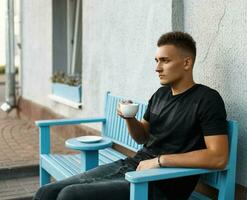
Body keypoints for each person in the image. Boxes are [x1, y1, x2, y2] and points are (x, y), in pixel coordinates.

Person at [33, 31, 228, 200]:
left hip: (162, 184)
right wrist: (129, 119)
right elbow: (142, 136)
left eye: (165, 60)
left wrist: (160, 161)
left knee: (71, 196)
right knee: (47, 192)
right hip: (134, 165)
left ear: (187, 62)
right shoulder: (160, 95)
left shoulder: (207, 99)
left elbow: (218, 157)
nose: (157, 68)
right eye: (157, 60)